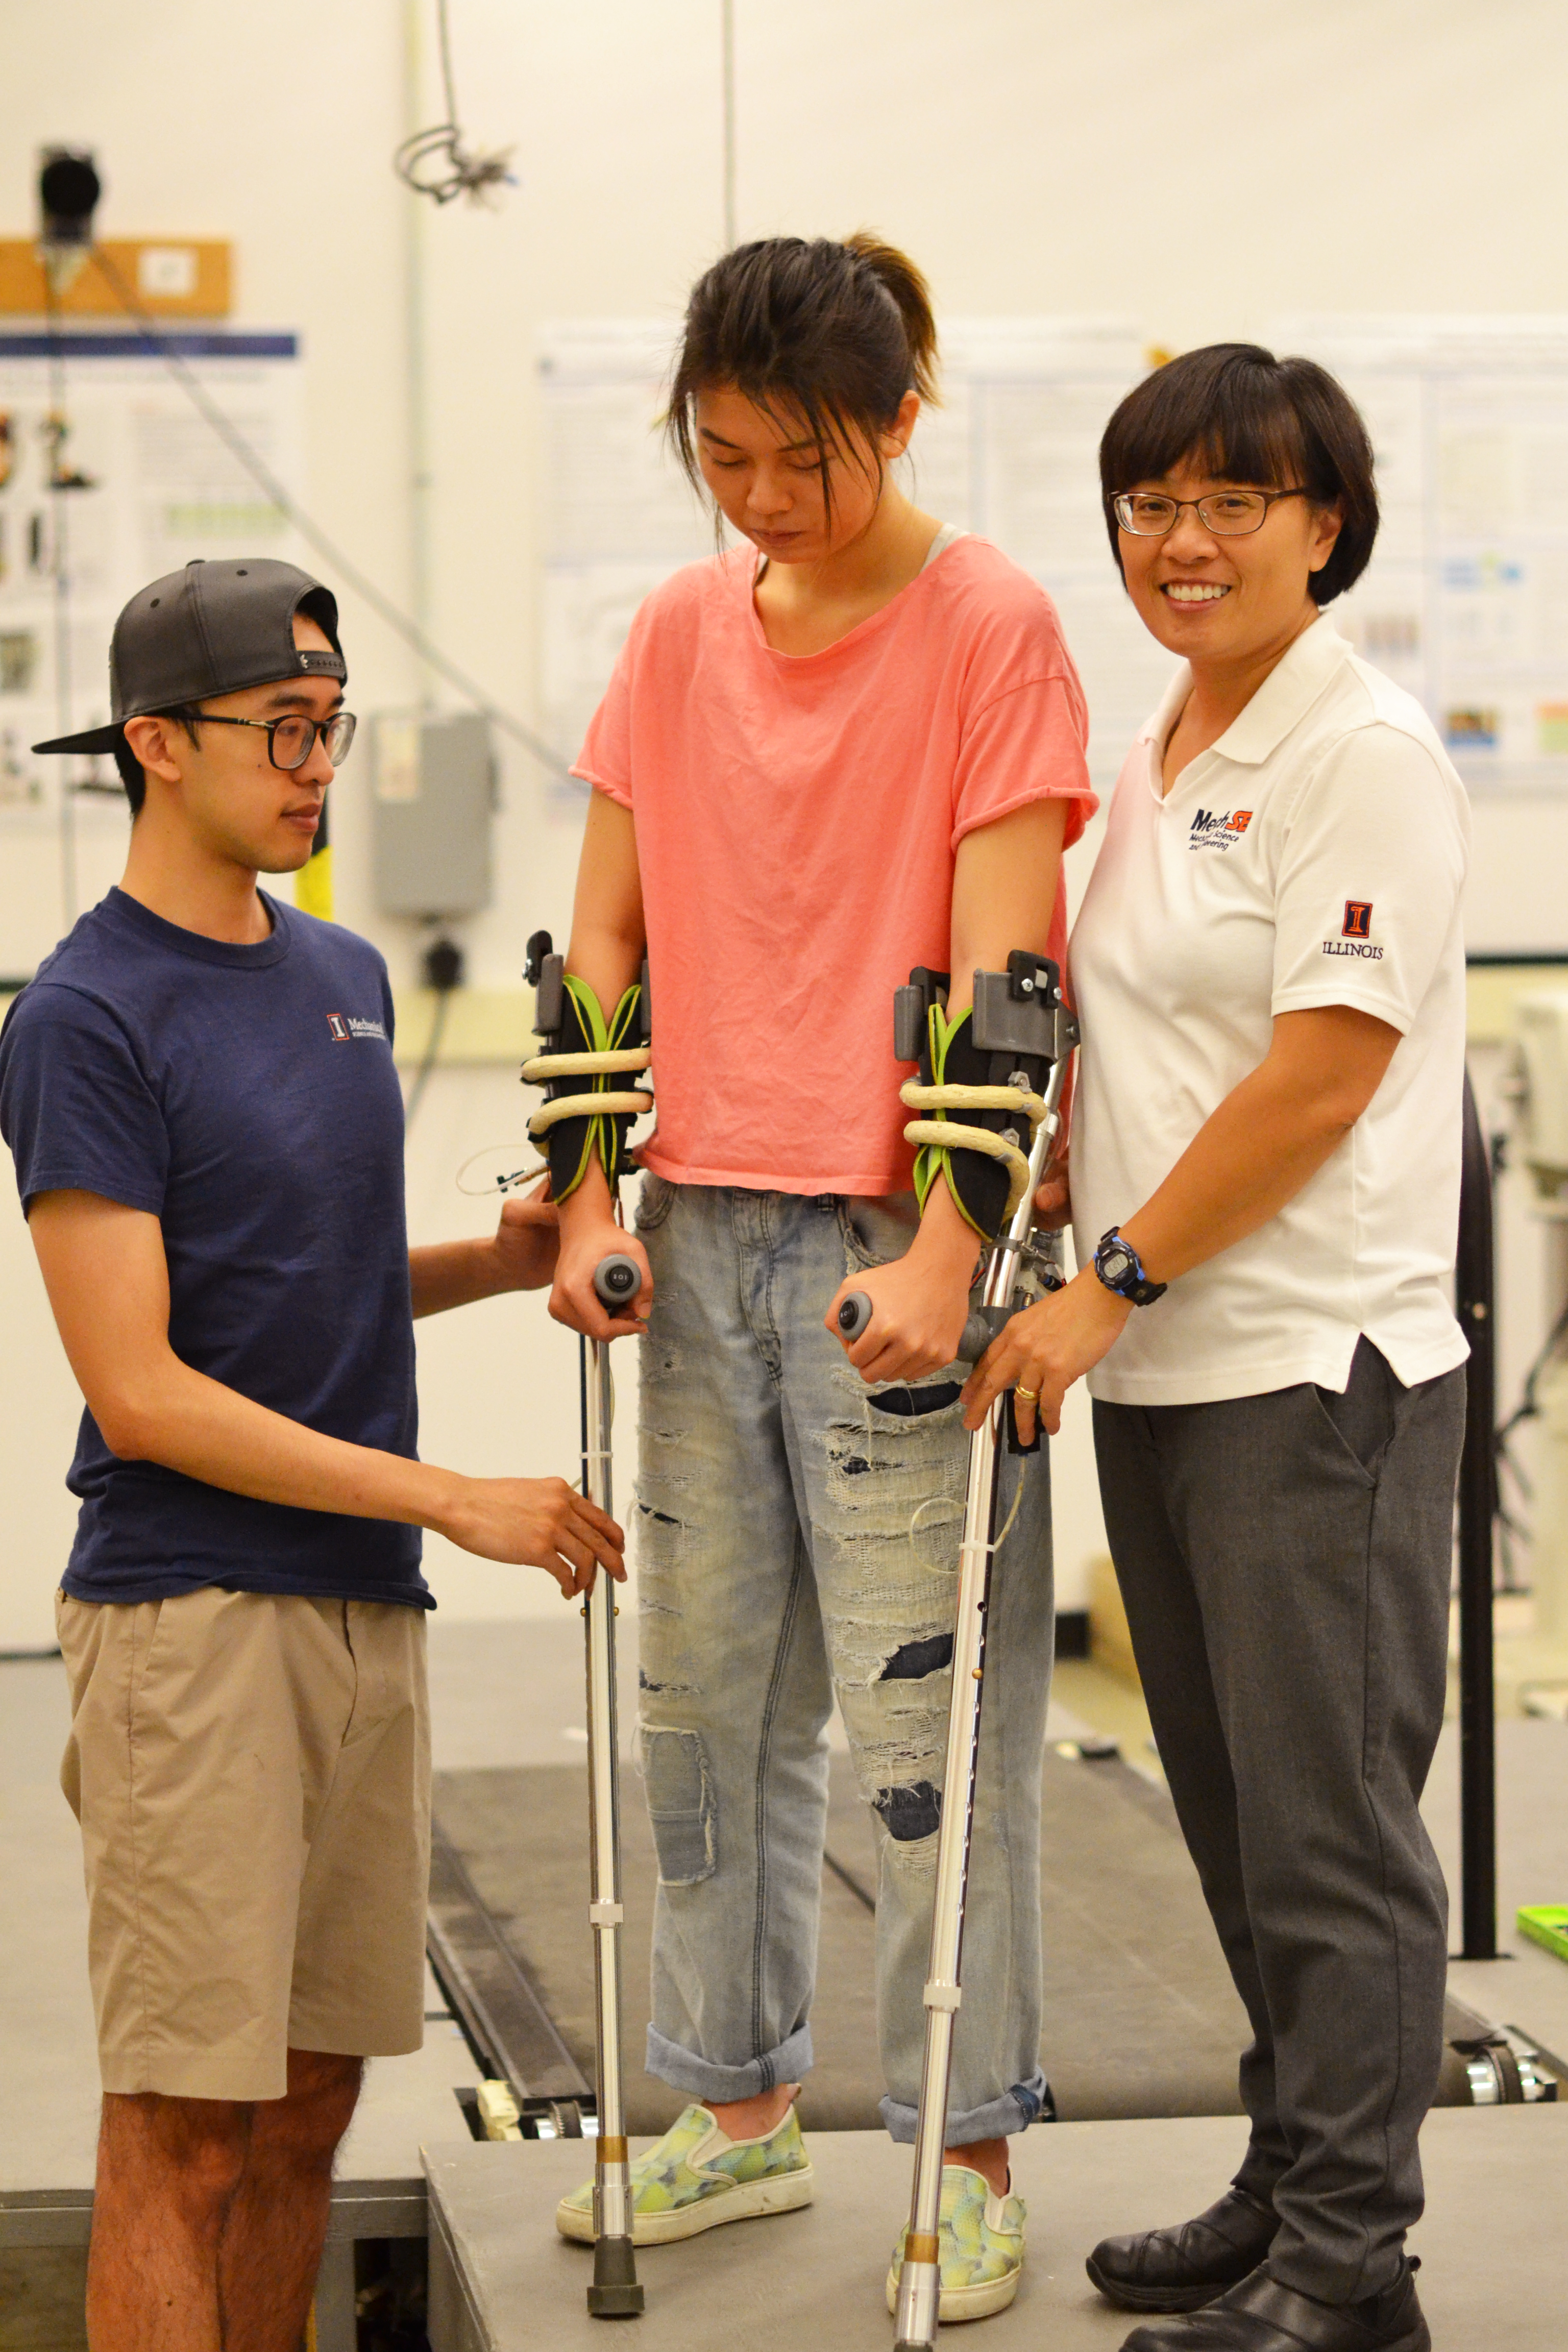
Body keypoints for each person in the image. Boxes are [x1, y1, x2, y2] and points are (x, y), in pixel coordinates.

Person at [543, 234, 1095, 2319]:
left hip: (893, 1243)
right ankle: (734, 2115)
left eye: (805, 460)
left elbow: (1008, 978)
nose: (762, 499)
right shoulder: (673, 635)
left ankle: (968, 2150)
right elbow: (600, 942)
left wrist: (960, 1244)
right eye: (724, 457)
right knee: (700, 1707)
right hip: (691, 1236)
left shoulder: (991, 628)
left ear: (900, 423)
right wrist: (589, 1199)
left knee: (924, 1731)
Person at [0, 557, 623, 2352]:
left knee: (305, 2112)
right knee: (184, 2131)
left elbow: (313, 1289)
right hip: (194, 1630)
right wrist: (457, 1499)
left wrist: (503, 1267)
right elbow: (146, 1392)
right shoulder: (85, 1018)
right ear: (153, 744)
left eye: (331, 726)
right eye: (281, 730)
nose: (317, 765)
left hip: (364, 1612)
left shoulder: (341, 975)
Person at [964, 346, 1468, 2352]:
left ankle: (1354, 2267)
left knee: (1335, 1831)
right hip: (1168, 1368)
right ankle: (1290, 2179)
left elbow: (1318, 1078)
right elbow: (1149, 1046)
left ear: (1321, 525)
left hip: (1308, 1367)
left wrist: (1118, 1284)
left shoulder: (1358, 750)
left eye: (1228, 506)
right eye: (1149, 507)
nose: (1180, 544)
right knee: (1245, 1820)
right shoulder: (1168, 739)